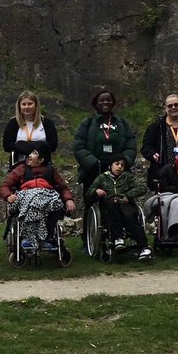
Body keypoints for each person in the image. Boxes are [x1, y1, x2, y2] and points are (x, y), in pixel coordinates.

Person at [73, 88, 137, 249]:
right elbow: (79, 146)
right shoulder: (87, 124)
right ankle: (88, 240)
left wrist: (124, 162)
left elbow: (131, 144)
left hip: (118, 170)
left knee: (122, 201)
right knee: (91, 203)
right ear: (96, 103)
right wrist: (93, 162)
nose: (105, 102)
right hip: (94, 170)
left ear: (113, 102)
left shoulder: (121, 123)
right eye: (102, 100)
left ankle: (125, 235)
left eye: (108, 100)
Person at [0, 145, 76, 247]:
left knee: (57, 204)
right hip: (27, 197)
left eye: (34, 154)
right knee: (34, 202)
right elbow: (5, 186)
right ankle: (30, 237)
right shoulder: (21, 169)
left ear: (41, 160)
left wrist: (69, 200)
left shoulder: (50, 171)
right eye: (31, 153)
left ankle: (46, 236)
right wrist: (8, 196)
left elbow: (63, 188)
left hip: (47, 197)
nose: (29, 156)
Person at [88, 155, 152, 261]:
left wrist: (128, 195)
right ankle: (118, 238)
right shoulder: (102, 178)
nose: (119, 167)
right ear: (110, 165)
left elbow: (142, 188)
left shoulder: (128, 177)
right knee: (113, 204)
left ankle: (144, 246)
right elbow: (89, 192)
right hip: (109, 206)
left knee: (129, 216)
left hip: (125, 203)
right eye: (117, 164)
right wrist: (96, 191)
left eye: (122, 165)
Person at [1, 90, 59, 165]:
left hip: (42, 164)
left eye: (30, 104)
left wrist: (36, 148)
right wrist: (21, 147)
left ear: (36, 105)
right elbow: (7, 146)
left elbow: (53, 145)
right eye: (24, 104)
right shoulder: (13, 123)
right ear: (19, 106)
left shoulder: (46, 123)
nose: (27, 107)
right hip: (19, 164)